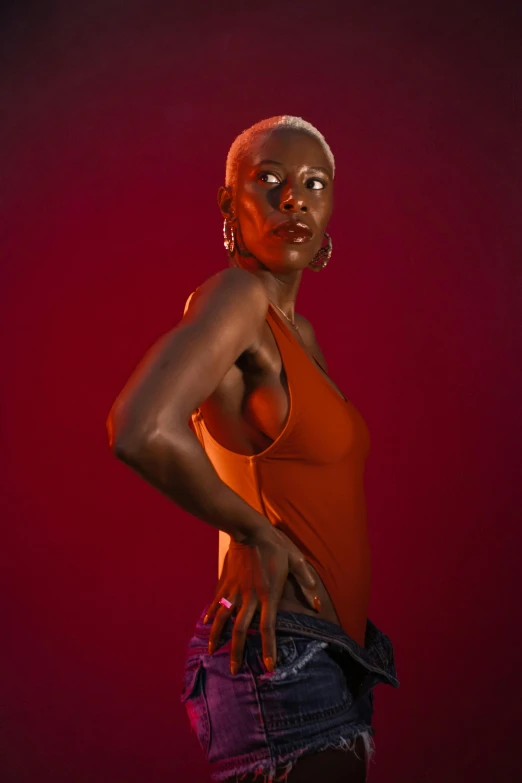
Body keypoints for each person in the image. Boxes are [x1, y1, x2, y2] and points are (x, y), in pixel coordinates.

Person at [106, 115, 400, 783]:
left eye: (313, 183)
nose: (293, 199)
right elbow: (139, 425)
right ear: (228, 202)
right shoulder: (237, 297)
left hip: (332, 654)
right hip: (281, 658)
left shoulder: (301, 334)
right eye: (268, 182)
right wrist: (253, 531)